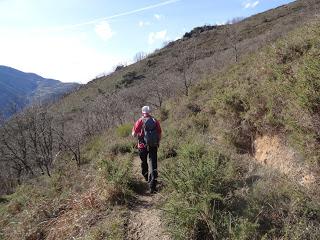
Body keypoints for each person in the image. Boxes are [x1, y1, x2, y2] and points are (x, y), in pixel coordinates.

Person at [132, 106, 162, 193]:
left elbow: (134, 134)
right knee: (153, 163)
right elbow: (159, 133)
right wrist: (157, 142)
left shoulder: (140, 121)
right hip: (153, 145)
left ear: (142, 112)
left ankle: (145, 177)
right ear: (149, 112)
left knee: (144, 162)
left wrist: (134, 131)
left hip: (142, 146)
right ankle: (153, 185)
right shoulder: (155, 121)